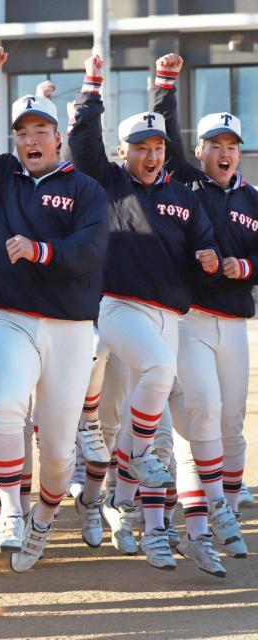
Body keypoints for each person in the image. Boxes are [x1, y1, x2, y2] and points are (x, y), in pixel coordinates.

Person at [0, 45, 109, 572]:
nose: (31, 140)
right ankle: (13, 512)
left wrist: (41, 250)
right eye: (22, 133)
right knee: (4, 409)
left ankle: (43, 517)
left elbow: (90, 250)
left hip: (71, 328)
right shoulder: (0, 177)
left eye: (40, 131)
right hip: (16, 317)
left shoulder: (85, 188)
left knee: (61, 450)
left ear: (58, 137)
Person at [69, 53, 221, 571]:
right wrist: (91, 89)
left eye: (158, 148)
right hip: (118, 309)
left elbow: (203, 242)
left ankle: (145, 524)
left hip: (167, 319)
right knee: (126, 413)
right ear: (123, 152)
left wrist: (210, 257)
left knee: (154, 437)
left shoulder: (183, 195)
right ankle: (105, 494)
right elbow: (82, 146)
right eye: (141, 148)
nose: (152, 155)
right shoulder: (108, 184)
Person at [150, 52, 251, 563]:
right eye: (216, 144)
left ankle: (223, 516)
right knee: (202, 411)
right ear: (200, 150)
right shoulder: (186, 182)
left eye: (233, 145)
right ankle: (198, 522)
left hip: (234, 325)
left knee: (231, 423)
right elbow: (162, 130)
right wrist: (165, 84)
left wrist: (243, 268)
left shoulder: (254, 199)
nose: (225, 152)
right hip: (190, 319)